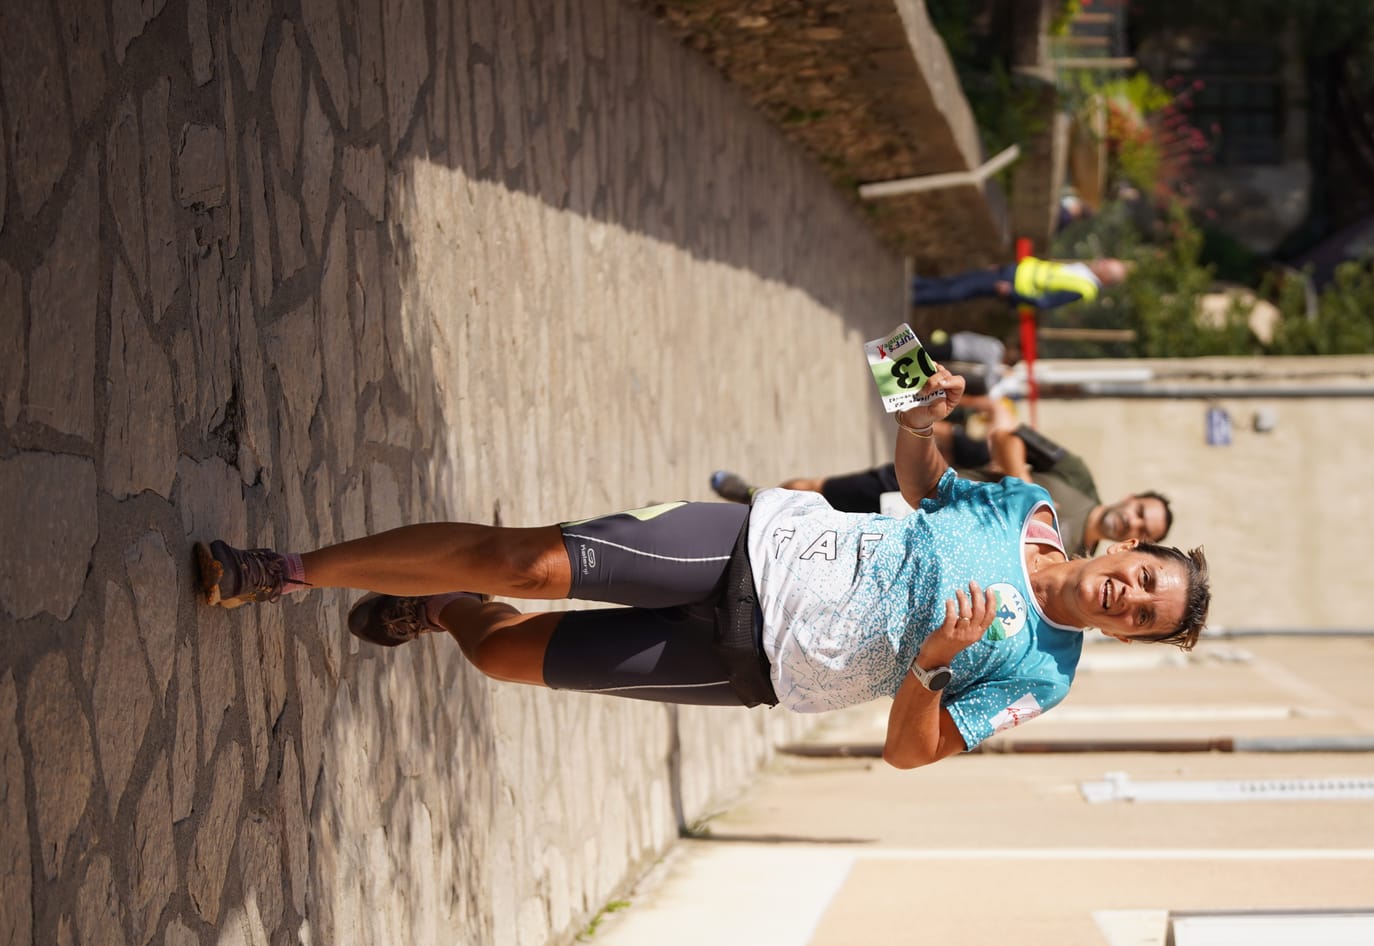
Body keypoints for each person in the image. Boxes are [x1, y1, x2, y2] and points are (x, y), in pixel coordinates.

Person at [194, 366, 1210, 769]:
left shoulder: (1041, 676)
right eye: (1139, 578)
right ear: (1120, 547)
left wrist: (932, 664)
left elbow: (909, 754)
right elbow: (918, 473)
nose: (1125, 598)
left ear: (1131, 639)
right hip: (755, 547)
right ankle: (281, 570)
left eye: (1140, 616)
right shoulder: (1023, 505)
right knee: (533, 560)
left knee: (503, 656)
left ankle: (450, 606)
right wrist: (911, 399)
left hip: (760, 670)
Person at [709, 408, 1172, 560]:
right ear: (1130, 498)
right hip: (930, 484)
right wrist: (1026, 494)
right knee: (813, 488)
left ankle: (730, 535)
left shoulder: (1070, 564)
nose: (1132, 519)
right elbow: (1008, 435)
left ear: (1134, 541)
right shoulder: (1078, 476)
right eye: (1140, 509)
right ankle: (754, 496)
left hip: (917, 538)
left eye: (1143, 528)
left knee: (814, 539)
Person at [912, 256, 1129, 310]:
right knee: (959, 280)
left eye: (1105, 265)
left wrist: (1012, 293)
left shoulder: (1084, 289)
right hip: (1011, 272)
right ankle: (916, 286)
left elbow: (1044, 302)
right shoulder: (1082, 272)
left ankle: (916, 296)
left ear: (1107, 277)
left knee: (959, 290)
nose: (1100, 262)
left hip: (1011, 284)